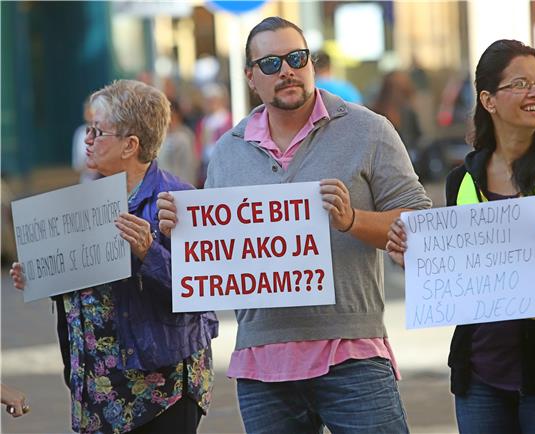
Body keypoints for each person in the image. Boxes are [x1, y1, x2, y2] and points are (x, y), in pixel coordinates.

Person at [157, 16, 431, 434]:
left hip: (351, 353)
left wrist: (352, 220)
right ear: (251, 77)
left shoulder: (368, 129)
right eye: (270, 64)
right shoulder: (229, 151)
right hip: (261, 361)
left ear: (311, 64)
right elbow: (213, 251)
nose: (286, 70)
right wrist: (181, 231)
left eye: (297, 58)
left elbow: (419, 225)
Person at [386, 39, 535, 434]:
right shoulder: (463, 180)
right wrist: (418, 262)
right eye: (521, 84)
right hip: (481, 376)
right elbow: (460, 276)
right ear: (488, 101)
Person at [10, 79, 218, 434]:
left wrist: (148, 252)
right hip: (97, 389)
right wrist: (43, 276)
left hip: (160, 390)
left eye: (97, 131)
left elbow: (201, 291)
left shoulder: (176, 198)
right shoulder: (85, 198)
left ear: (130, 145)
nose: (87, 139)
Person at [194, 82, 232, 187]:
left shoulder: (229, 119)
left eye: (213, 100)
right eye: (208, 101)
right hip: (207, 165)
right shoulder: (203, 122)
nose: (210, 104)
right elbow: (199, 144)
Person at [157, 99, 199, 186]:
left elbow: (189, 166)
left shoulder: (184, 136)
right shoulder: (160, 136)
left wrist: (186, 188)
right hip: (162, 187)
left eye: (170, 115)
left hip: (179, 187)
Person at [71, 99, 99, 183]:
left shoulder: (108, 132)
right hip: (88, 180)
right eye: (87, 109)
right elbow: (77, 164)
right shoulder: (80, 132)